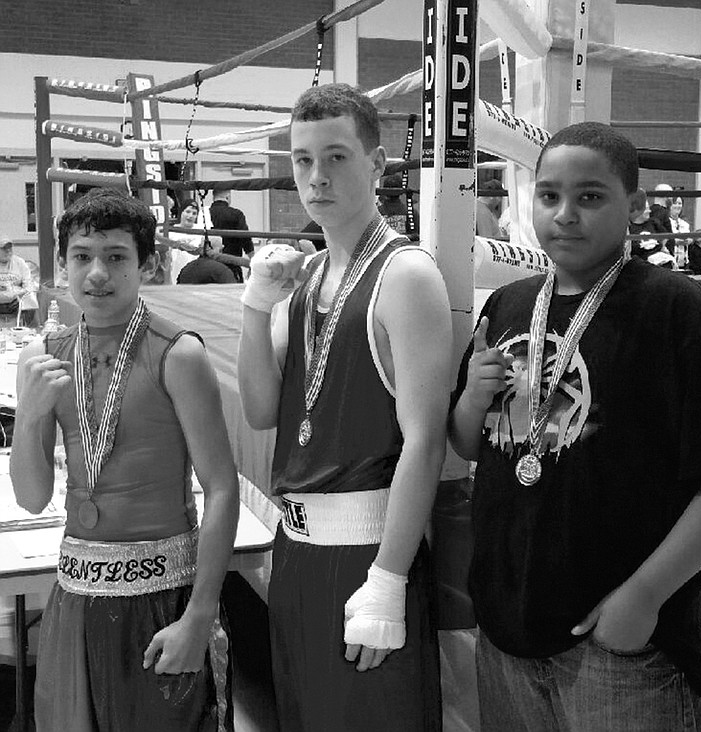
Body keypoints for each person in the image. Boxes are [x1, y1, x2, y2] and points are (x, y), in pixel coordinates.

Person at [448, 122, 701, 732]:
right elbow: (471, 443)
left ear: (633, 206)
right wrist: (472, 400)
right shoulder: (509, 303)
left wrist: (645, 595)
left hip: (618, 638)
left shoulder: (675, 309)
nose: (565, 215)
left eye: (591, 197)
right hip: (507, 622)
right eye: (549, 195)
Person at [237, 82, 451, 731]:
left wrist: (387, 577)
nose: (316, 177)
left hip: (367, 554)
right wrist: (254, 307)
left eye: (335, 157)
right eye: (303, 160)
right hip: (294, 550)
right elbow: (259, 409)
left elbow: (425, 440)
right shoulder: (304, 281)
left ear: (378, 165)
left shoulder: (406, 276)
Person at [11, 188, 240, 731]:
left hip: (164, 599)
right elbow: (31, 497)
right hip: (74, 595)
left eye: (116, 257)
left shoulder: (177, 353)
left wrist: (198, 616)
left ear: (148, 264)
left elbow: (222, 488)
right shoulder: (43, 358)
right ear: (61, 264)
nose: (97, 273)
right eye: (82, 256)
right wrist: (30, 416)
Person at [155, 199, 222, 284]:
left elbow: (217, 241)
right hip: (174, 273)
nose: (190, 216)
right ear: (181, 212)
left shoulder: (201, 231)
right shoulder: (171, 232)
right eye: (188, 212)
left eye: (194, 213)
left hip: (194, 275)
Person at [209, 189, 255, 282]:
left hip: (208, 264)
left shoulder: (203, 214)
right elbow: (245, 238)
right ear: (228, 197)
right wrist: (253, 260)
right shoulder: (236, 214)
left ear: (213, 197)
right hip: (232, 265)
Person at [0, 234, 36, 323]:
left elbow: (29, 284)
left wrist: (18, 293)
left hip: (15, 301)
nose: (8, 251)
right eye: (4, 249)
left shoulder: (19, 262)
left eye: (10, 248)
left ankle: (27, 328)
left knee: (31, 298)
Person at [378, 172, 419, 237]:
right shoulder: (411, 212)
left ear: (384, 190)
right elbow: (416, 236)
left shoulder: (377, 212)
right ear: (401, 191)